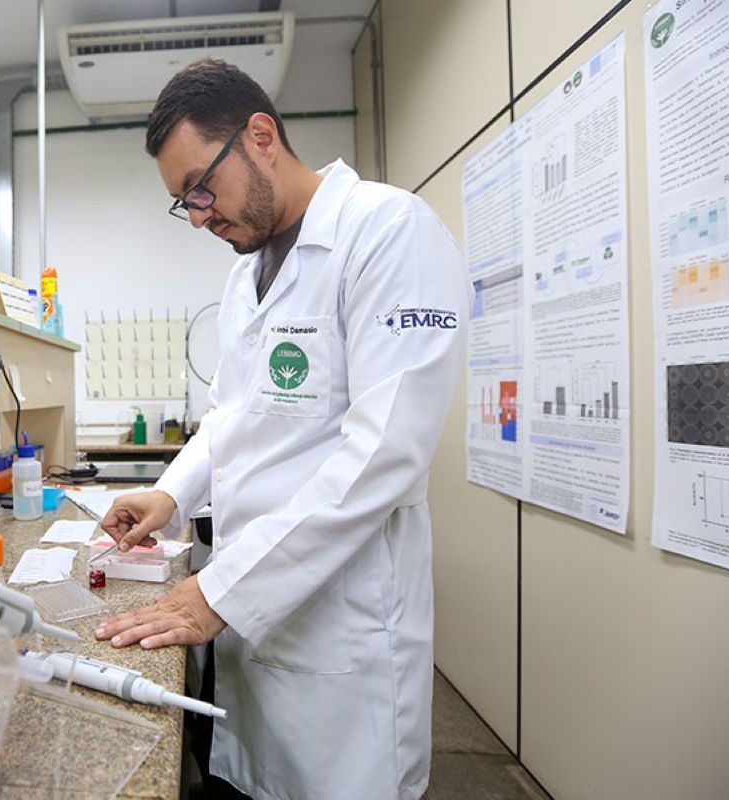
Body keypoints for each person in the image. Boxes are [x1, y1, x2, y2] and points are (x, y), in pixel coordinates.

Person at [95, 58, 471, 800]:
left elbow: (383, 457)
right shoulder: (248, 272)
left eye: (201, 187)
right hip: (251, 624)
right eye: (183, 203)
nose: (198, 215)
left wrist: (219, 592)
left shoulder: (389, 231)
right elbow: (233, 416)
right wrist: (168, 495)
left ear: (260, 136)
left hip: (342, 639)